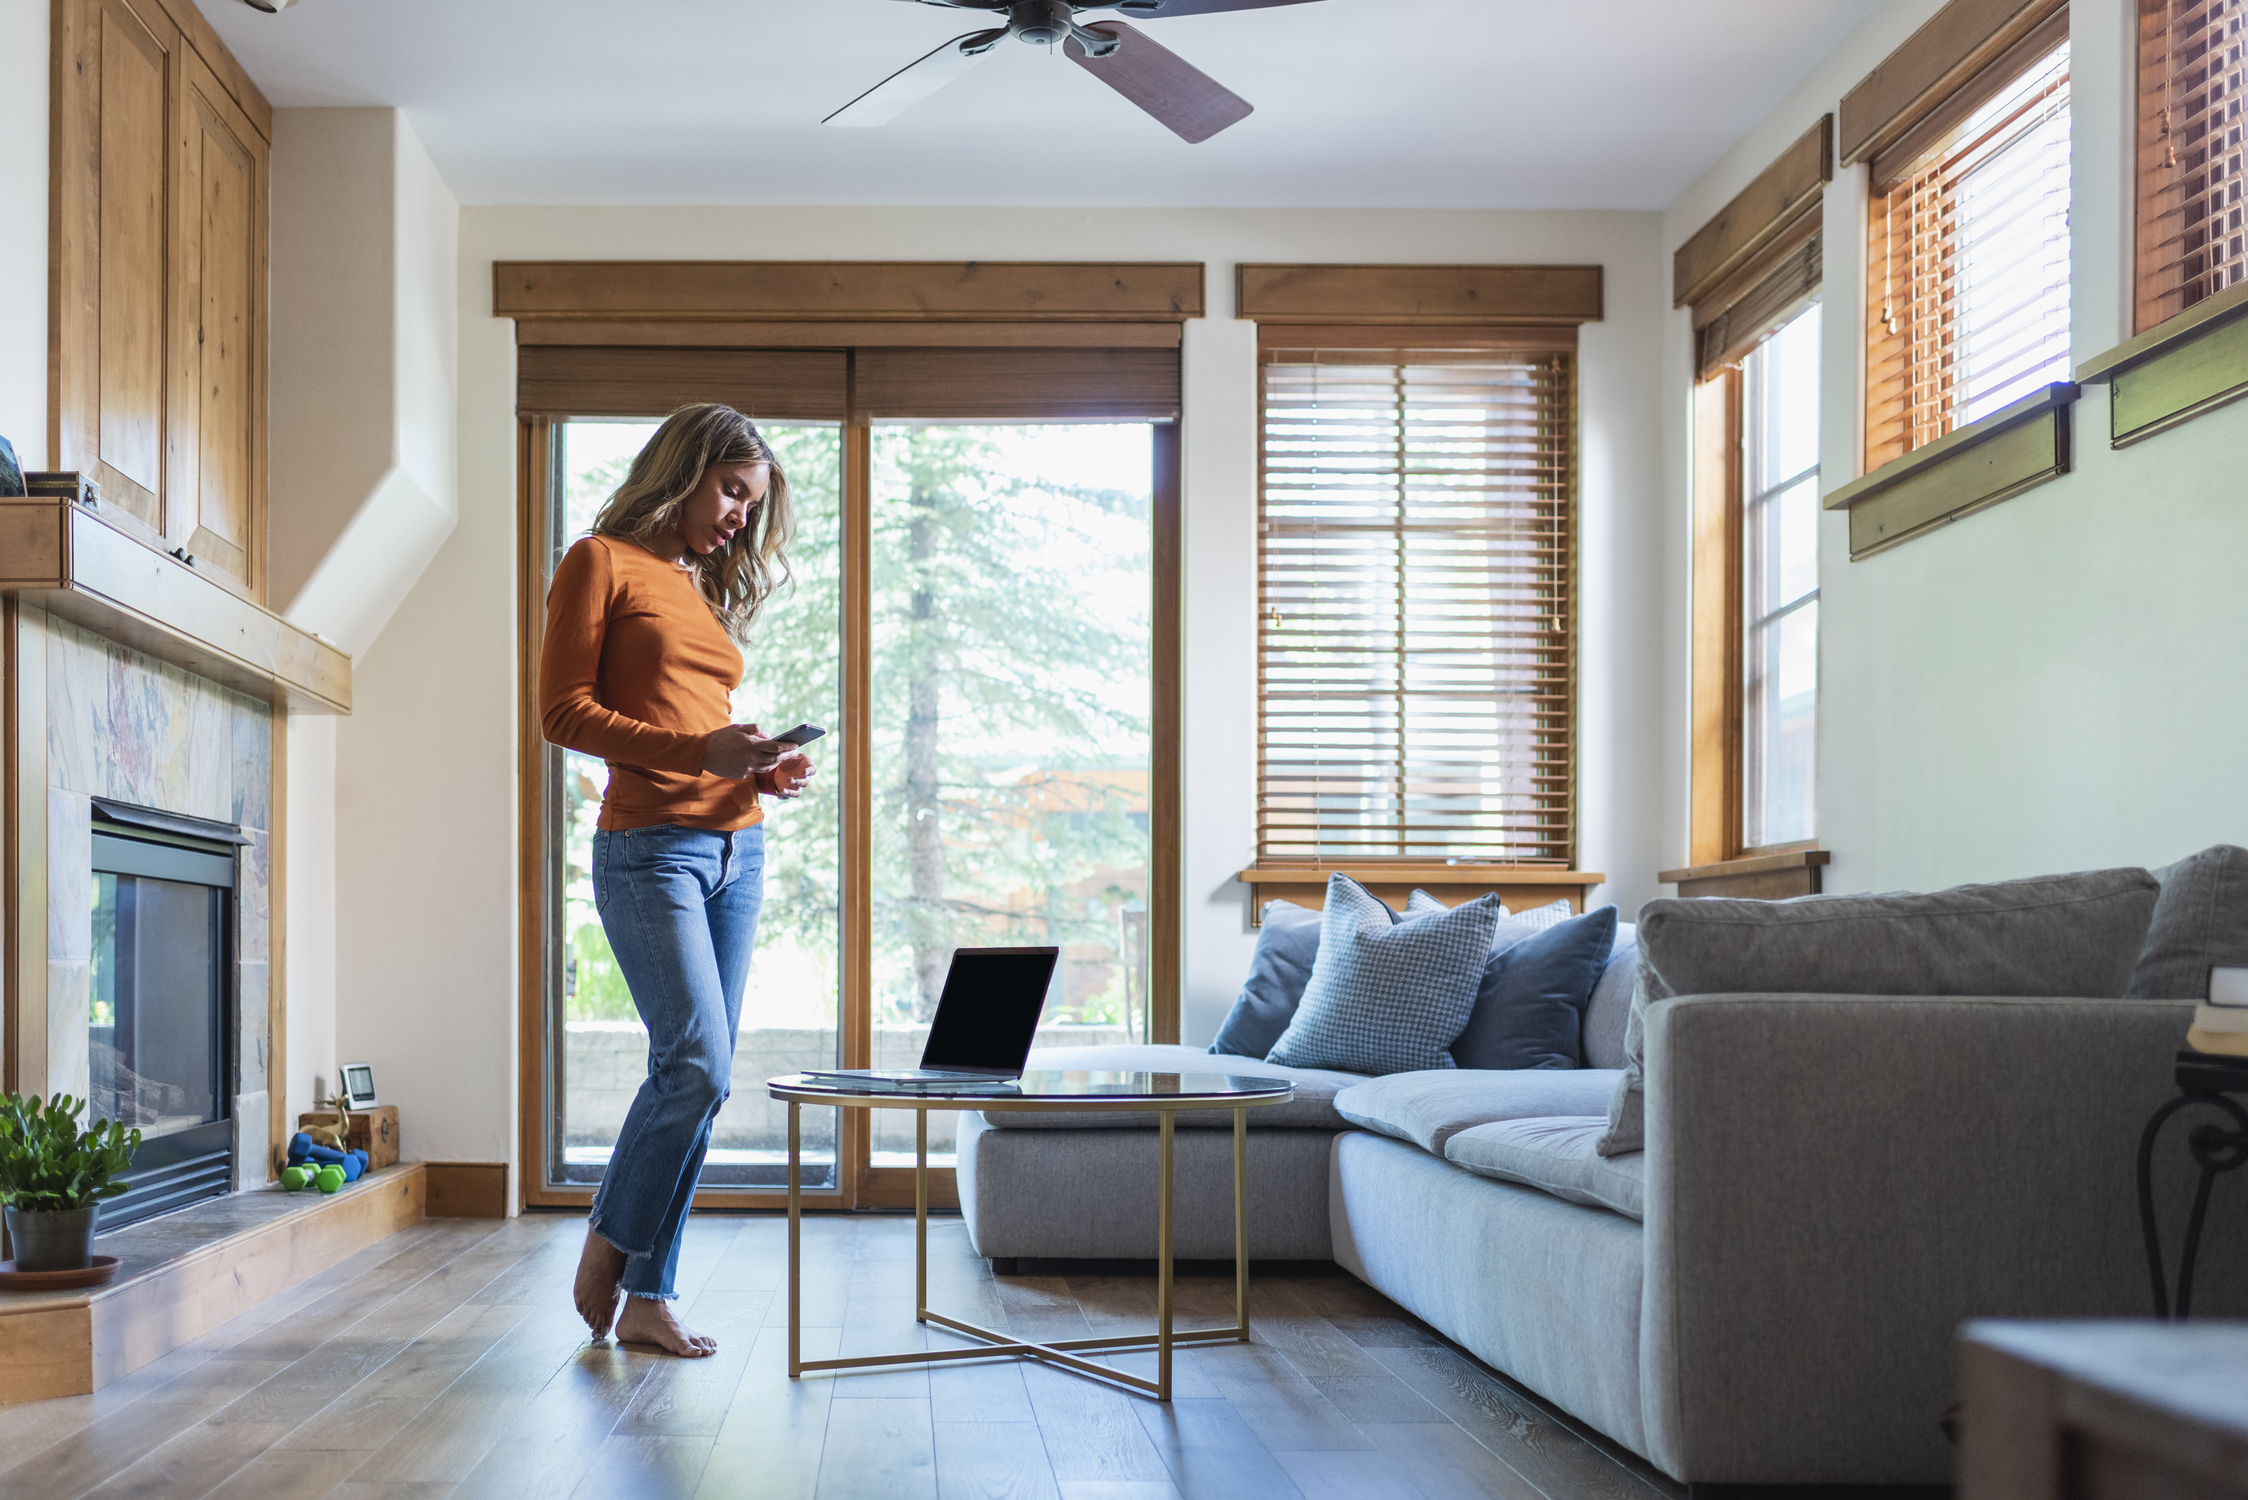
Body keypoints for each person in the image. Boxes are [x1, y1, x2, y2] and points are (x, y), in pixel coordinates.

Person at [539, 403, 815, 1357]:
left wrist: (754, 764)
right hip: (648, 849)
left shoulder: (697, 584)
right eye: (732, 489)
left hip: (736, 848)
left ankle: (651, 1296)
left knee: (706, 1079)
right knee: (693, 1060)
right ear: (686, 467)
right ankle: (610, 1243)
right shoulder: (597, 561)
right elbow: (563, 712)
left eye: (753, 500)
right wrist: (701, 750)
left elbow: (700, 720)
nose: (741, 513)